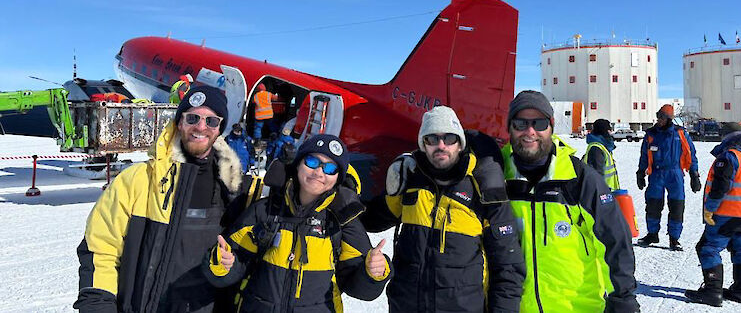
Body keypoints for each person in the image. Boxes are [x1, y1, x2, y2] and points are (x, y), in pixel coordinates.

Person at [74, 86, 257, 313]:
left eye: (211, 121)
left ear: (219, 129)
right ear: (179, 122)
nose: (201, 127)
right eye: (193, 118)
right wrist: (98, 304)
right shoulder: (136, 181)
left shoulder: (237, 189)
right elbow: (101, 249)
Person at [361, 106, 525, 313]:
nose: (441, 145)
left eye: (449, 138)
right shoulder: (411, 181)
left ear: (459, 144)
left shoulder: (483, 187)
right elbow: (370, 219)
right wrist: (347, 185)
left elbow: (507, 264)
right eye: (431, 139)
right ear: (423, 144)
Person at [203, 134, 392, 312]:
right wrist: (223, 264)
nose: (319, 172)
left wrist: (373, 273)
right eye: (312, 162)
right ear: (298, 164)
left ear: (337, 179)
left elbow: (359, 289)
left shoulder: (342, 222)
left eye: (330, 168)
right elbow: (234, 264)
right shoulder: (265, 211)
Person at [501, 91, 639, 312]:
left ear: (551, 126)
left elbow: (615, 242)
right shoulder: (497, 178)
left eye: (539, 123)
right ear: (509, 127)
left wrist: (622, 299)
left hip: (579, 307)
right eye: (520, 123)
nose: (530, 131)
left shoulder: (579, 178)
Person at [685, 122, 741, 306]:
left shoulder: (729, 157)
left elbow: (720, 187)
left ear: (727, 136)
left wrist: (710, 209)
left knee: (707, 248)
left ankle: (712, 292)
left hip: (726, 213)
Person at [636, 104, 700, 251]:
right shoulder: (651, 134)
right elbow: (644, 155)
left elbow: (691, 155)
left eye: (662, 117)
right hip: (656, 174)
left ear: (669, 119)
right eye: (658, 116)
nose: (659, 120)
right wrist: (640, 172)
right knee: (653, 205)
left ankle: (674, 238)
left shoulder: (680, 134)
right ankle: (652, 234)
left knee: (676, 206)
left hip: (675, 173)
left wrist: (694, 174)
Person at [582, 118, 621, 190]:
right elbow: (596, 176)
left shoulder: (603, 147)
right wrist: (602, 192)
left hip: (607, 193)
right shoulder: (596, 149)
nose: (611, 132)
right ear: (604, 131)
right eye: (609, 130)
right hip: (602, 195)